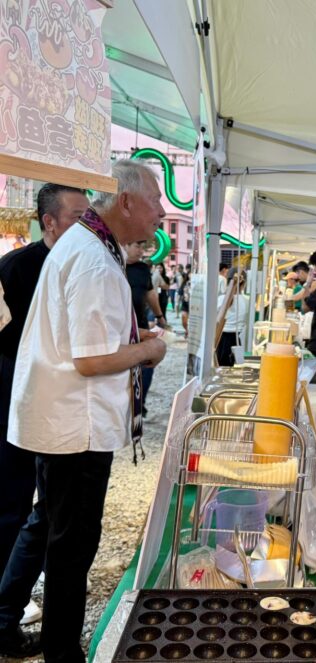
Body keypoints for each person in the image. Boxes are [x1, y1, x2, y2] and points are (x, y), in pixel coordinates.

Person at [1, 160, 167, 662]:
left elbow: (88, 337)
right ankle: (62, 654)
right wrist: (148, 349)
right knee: (72, 549)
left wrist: (131, 337)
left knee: (57, 536)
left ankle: (48, 641)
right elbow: (91, 360)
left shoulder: (91, 245)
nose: (161, 213)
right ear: (127, 202)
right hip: (75, 429)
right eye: (156, 201)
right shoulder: (93, 256)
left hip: (66, 424)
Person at [0, 184, 89, 655]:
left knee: (47, 513)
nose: (87, 223)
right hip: (16, 403)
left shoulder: (84, 263)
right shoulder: (16, 267)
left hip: (63, 412)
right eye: (77, 215)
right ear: (48, 221)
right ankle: (3, 621)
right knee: (14, 510)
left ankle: (9, 613)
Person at [125, 241, 166, 415]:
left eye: (143, 247)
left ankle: (139, 402)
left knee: (147, 367)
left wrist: (159, 316)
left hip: (141, 327)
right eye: (138, 246)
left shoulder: (143, 269)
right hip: (121, 331)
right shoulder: (114, 264)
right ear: (125, 245)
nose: (141, 251)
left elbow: (150, 293)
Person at [216, 273, 249, 366]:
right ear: (244, 284)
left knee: (219, 367)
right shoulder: (247, 301)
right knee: (233, 368)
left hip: (220, 339)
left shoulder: (221, 299)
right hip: (237, 339)